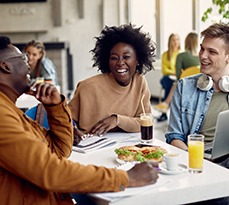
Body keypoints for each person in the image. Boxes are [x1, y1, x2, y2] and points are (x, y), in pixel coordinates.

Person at [0, 36, 159, 204]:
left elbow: (60, 151)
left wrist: (55, 108)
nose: (29, 64)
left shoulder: (11, 111)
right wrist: (126, 178)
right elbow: (51, 171)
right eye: (23, 58)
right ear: (6, 66)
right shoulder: (3, 116)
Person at [165, 23, 229, 205]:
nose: (202, 56)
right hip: (194, 160)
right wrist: (193, 159)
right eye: (202, 49)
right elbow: (174, 136)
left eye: (212, 52)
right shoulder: (184, 87)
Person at [68, 24, 156, 137]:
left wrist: (117, 120)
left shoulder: (139, 82)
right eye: (114, 58)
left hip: (127, 147)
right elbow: (65, 121)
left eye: (126, 57)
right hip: (90, 147)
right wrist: (71, 130)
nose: (120, 63)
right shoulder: (88, 87)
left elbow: (143, 122)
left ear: (137, 60)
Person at [154, 32, 200, 122]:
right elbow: (165, 71)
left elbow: (179, 76)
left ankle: (165, 105)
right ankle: (167, 107)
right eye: (173, 40)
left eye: (177, 40)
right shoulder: (200, 56)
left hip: (183, 83)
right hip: (197, 85)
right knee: (169, 82)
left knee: (174, 84)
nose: (176, 42)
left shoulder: (181, 55)